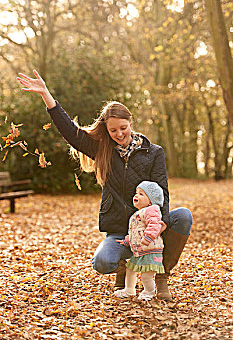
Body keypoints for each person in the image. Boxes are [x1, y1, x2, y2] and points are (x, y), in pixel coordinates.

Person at [17, 70, 193, 301]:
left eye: (123, 128)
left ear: (131, 122)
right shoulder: (103, 150)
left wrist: (161, 222)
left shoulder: (153, 152)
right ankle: (124, 268)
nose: (119, 134)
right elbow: (71, 132)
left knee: (183, 216)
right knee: (102, 262)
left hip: (147, 222)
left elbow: (161, 190)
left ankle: (161, 276)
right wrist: (47, 96)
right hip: (121, 229)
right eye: (113, 130)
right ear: (106, 130)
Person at [114, 181, 165, 300]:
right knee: (130, 269)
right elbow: (135, 231)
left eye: (141, 194)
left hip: (150, 250)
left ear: (151, 200)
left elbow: (154, 225)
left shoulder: (152, 210)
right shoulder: (139, 213)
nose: (136, 196)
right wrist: (127, 240)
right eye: (136, 193)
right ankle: (129, 290)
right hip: (140, 251)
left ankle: (149, 292)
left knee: (146, 276)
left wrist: (148, 237)